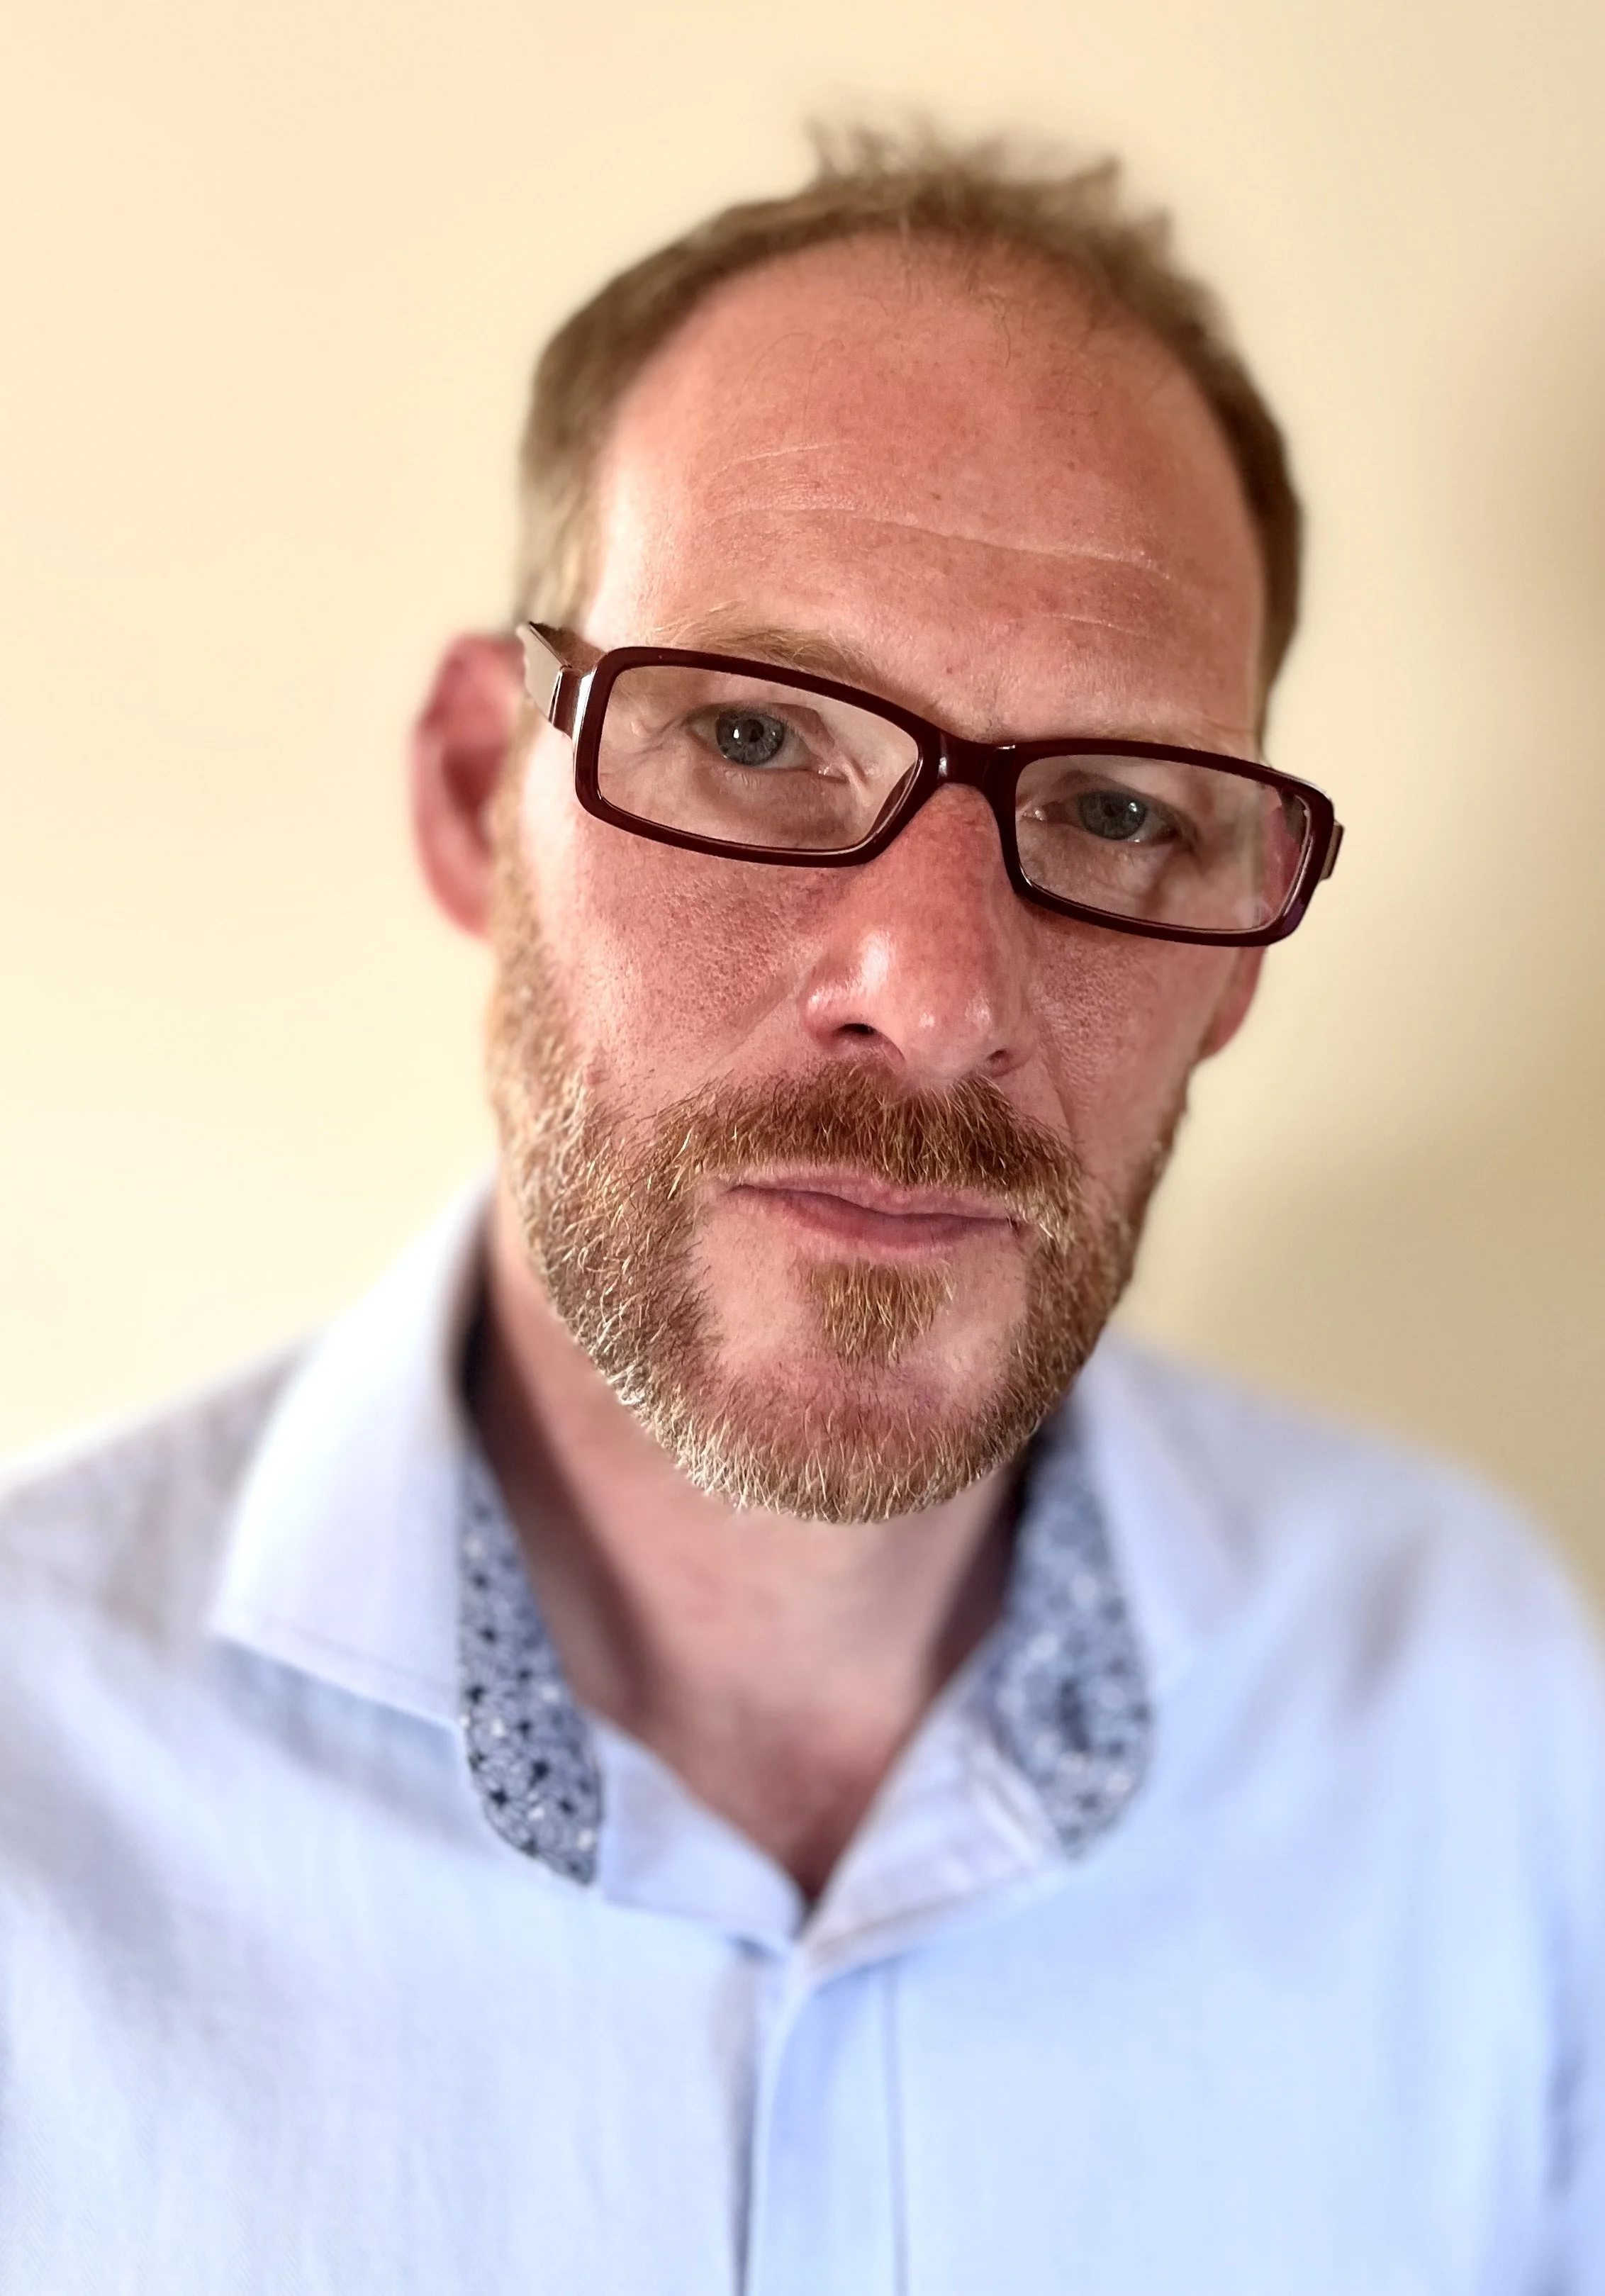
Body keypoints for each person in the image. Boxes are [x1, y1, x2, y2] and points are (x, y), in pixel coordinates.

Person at [1, 126, 1600, 2294]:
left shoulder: (1485, 1731)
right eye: (755, 737)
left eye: (1124, 808)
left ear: (1233, 957)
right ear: (482, 797)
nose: (934, 995)